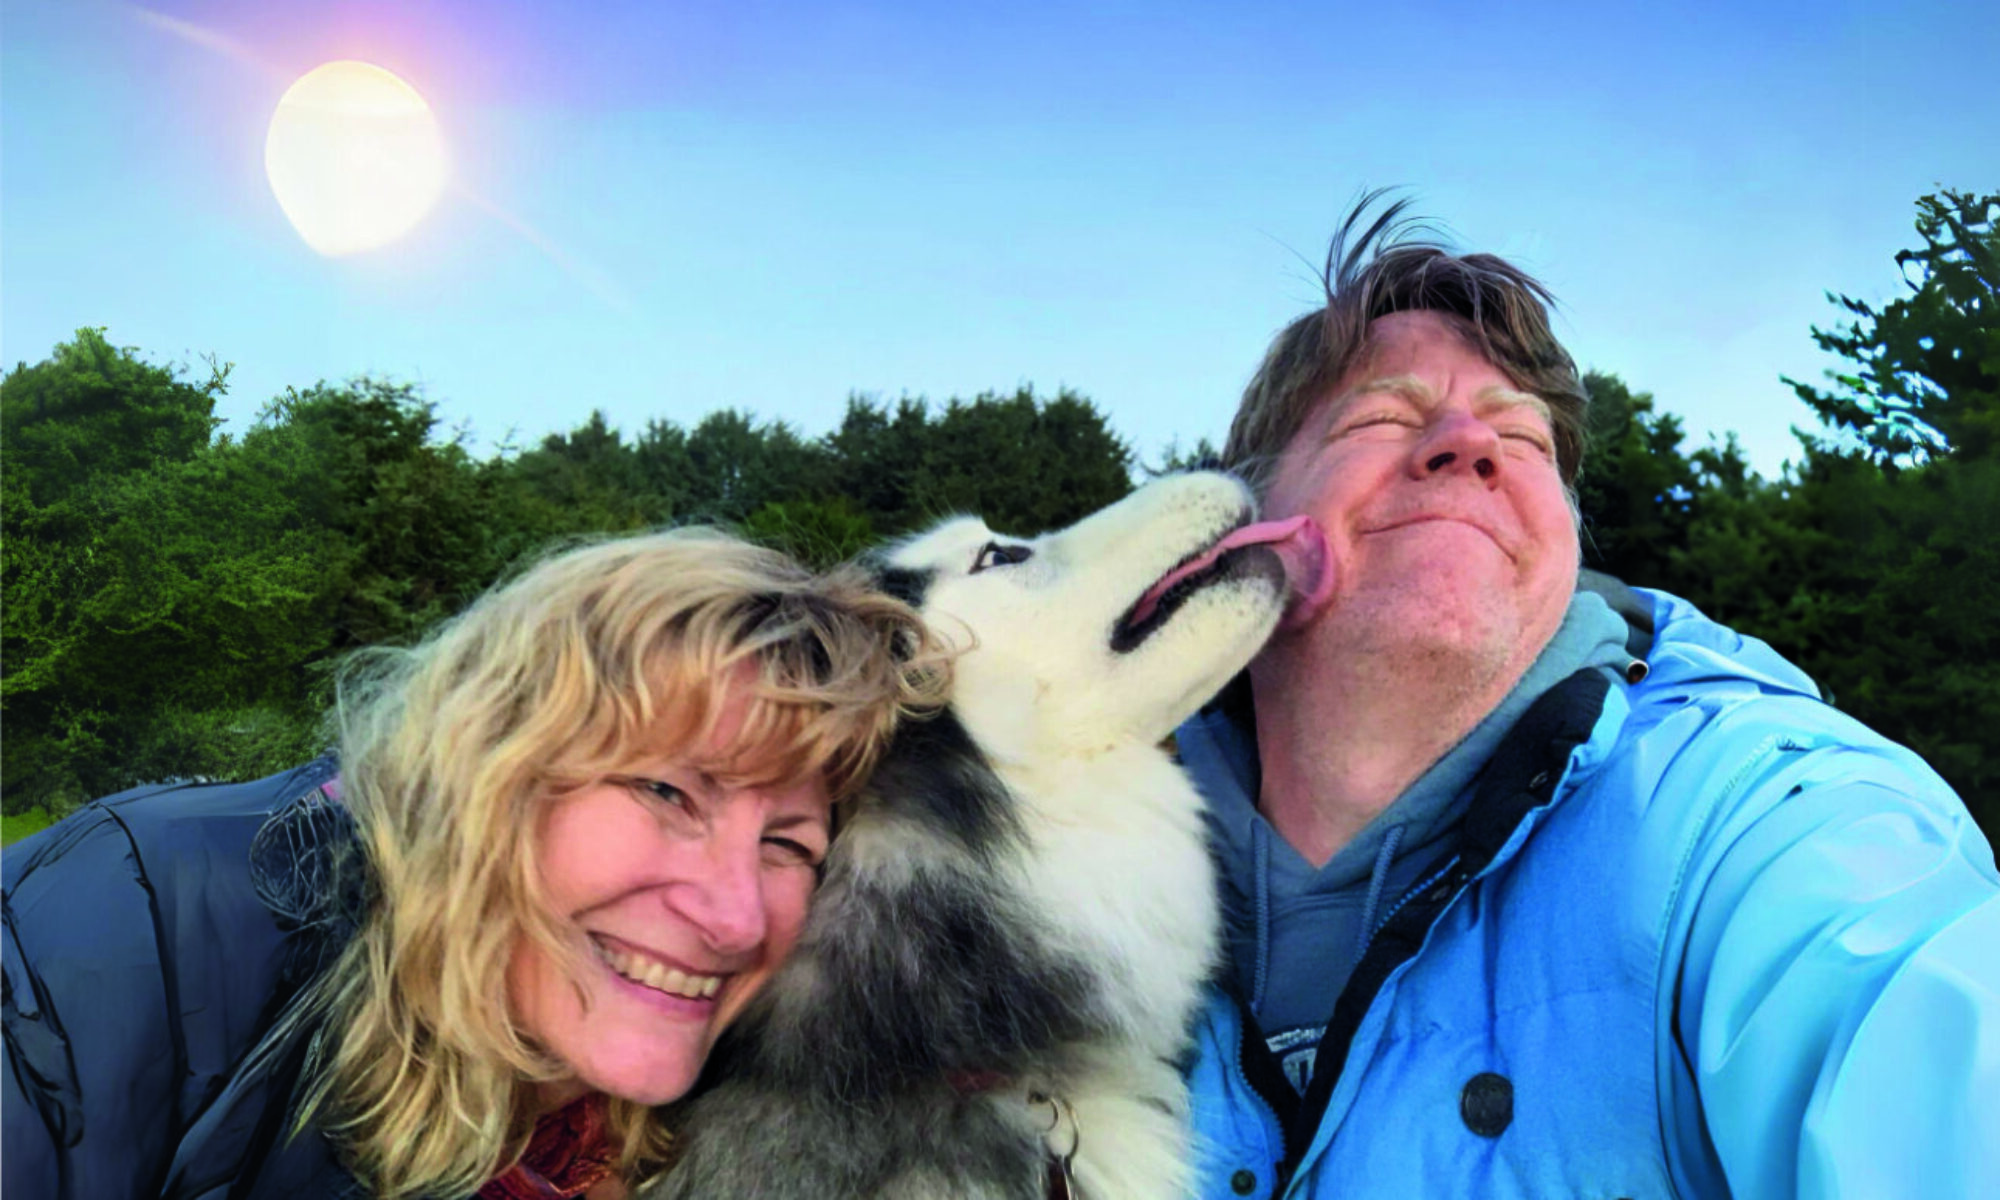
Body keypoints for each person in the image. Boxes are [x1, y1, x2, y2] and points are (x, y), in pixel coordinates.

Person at [1177, 200, 2000, 1198]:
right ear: (1244, 521)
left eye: (1520, 440)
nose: (1466, 444)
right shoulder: (1012, 856)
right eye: (1383, 416)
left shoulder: (1749, 816)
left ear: (1562, 546)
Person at [3, 528, 948, 1199]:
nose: (737, 918)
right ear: (490, 776)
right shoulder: (134, 932)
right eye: (670, 794)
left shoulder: (779, 1091)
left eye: (788, 845)